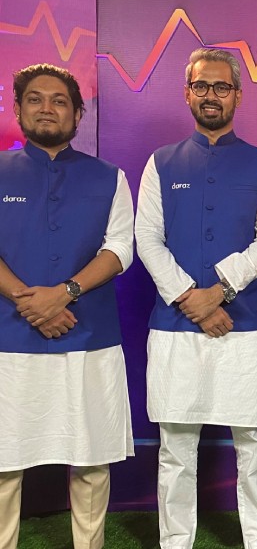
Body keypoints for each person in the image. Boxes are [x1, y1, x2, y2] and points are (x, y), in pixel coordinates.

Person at [135, 48, 257, 549]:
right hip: (176, 325)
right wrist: (188, 297)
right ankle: (176, 541)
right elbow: (147, 237)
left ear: (238, 95)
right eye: (202, 86)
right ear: (187, 93)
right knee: (176, 448)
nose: (211, 95)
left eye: (222, 87)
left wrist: (218, 292)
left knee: (253, 443)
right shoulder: (161, 163)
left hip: (248, 324)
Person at [0, 64, 134, 549]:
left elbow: (120, 248)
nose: (47, 108)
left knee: (92, 460)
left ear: (78, 114)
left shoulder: (110, 177)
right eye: (35, 99)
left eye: (59, 101)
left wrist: (64, 293)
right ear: (18, 110)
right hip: (9, 338)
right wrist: (29, 301)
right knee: (4, 462)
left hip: (89, 336)